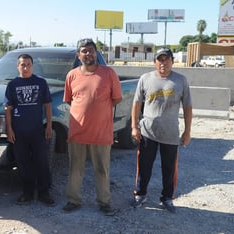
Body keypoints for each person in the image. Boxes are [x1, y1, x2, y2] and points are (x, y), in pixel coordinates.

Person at [62, 38, 122, 216]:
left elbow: (116, 98)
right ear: (78, 55)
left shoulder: (109, 73)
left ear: (96, 52)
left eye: (91, 50)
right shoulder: (71, 75)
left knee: (102, 170)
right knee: (75, 168)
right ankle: (73, 200)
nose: (88, 53)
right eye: (84, 51)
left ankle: (104, 202)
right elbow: (69, 100)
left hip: (101, 134)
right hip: (77, 133)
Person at [131, 47, 192, 214]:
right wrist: (134, 127)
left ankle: (167, 197)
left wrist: (187, 132)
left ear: (172, 61)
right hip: (147, 132)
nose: (163, 63)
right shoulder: (145, 79)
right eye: (160, 59)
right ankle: (141, 194)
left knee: (169, 168)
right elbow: (136, 103)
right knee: (144, 166)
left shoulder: (181, 80)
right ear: (155, 62)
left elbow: (187, 106)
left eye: (166, 59)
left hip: (170, 133)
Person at [4, 53, 55, 206]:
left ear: (32, 66)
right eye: (22, 65)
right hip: (19, 132)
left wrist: (49, 126)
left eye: (28, 65)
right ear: (17, 66)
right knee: (23, 163)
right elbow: (8, 109)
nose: (25, 67)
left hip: (37, 130)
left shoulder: (40, 83)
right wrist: (10, 129)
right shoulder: (12, 85)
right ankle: (27, 192)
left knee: (42, 161)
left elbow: (47, 105)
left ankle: (44, 192)